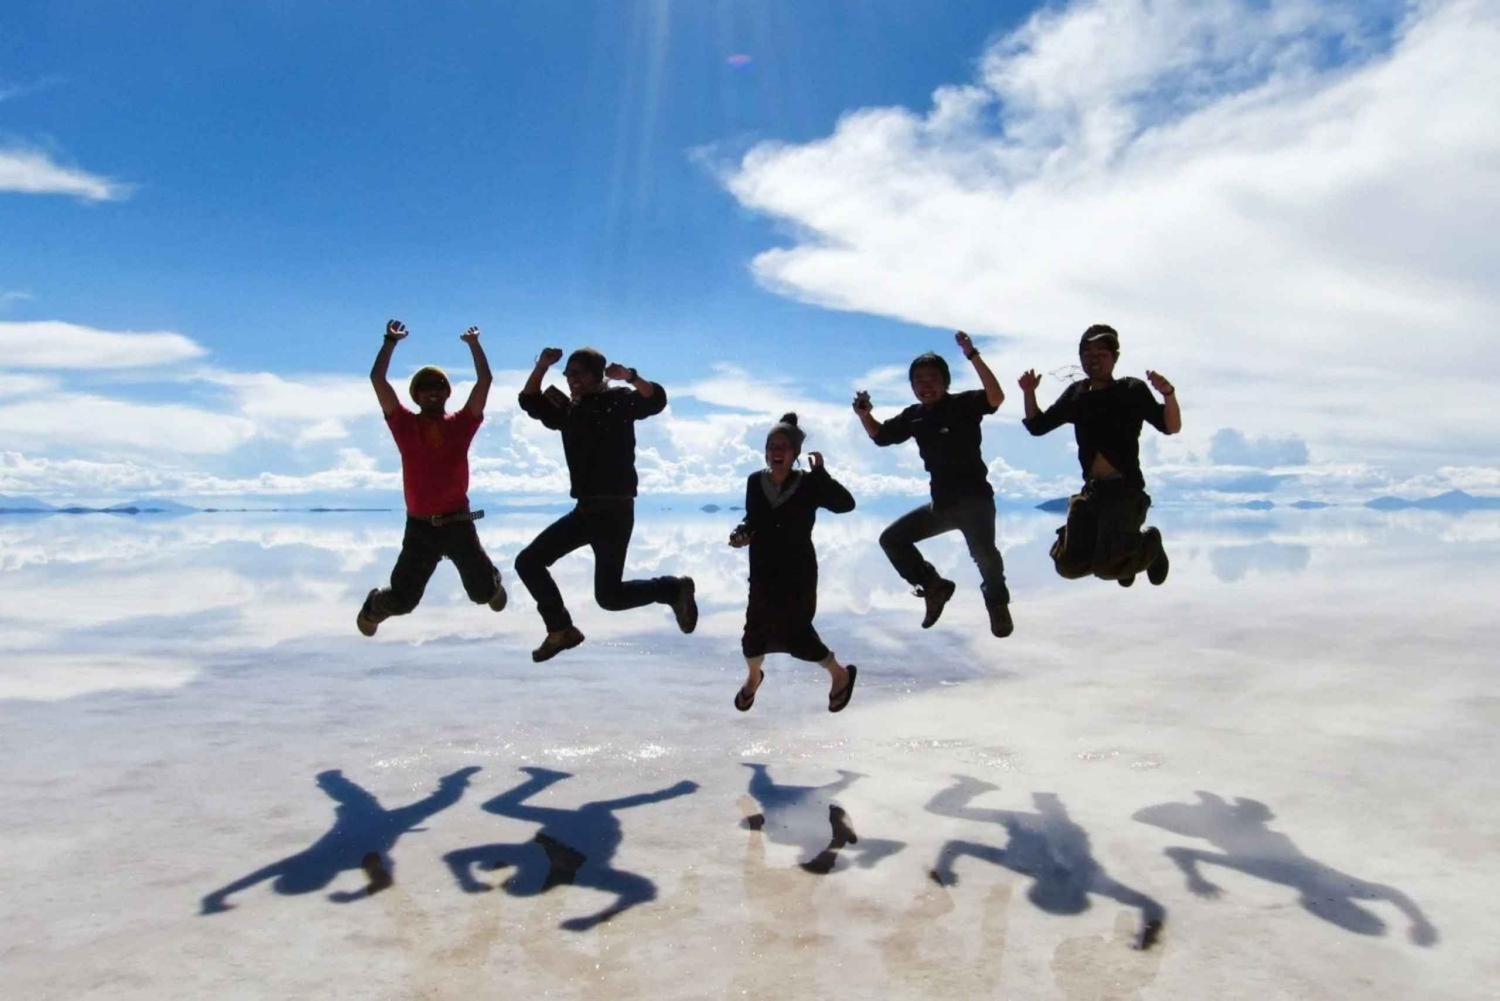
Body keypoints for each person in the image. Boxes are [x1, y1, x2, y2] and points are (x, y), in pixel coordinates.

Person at [515, 347, 697, 662]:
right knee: (528, 562)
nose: (573, 380)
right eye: (569, 374)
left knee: (609, 598)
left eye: (580, 373)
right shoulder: (568, 411)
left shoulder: (619, 401)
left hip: (615, 511)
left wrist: (630, 375)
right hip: (584, 511)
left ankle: (672, 588)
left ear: (598, 374)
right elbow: (529, 400)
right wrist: (542, 366)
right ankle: (561, 629)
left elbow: (656, 400)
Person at [854, 331, 1013, 637]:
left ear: (946, 381)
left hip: (976, 502)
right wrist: (865, 415)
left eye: (932, 378)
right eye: (919, 380)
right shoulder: (914, 416)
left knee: (985, 556)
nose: (925, 385)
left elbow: (996, 397)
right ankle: (933, 586)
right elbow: (880, 436)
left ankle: (997, 606)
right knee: (892, 539)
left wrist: (972, 354)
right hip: (942, 505)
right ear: (912, 386)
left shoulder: (964, 403)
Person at [357, 320, 505, 636]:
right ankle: (374, 607)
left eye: (439, 387)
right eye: (426, 389)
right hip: (420, 529)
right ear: (417, 396)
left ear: (447, 393)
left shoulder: (462, 424)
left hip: (459, 523)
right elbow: (377, 379)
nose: (433, 393)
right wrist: (389, 342)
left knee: (482, 594)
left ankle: (490, 579)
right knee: (402, 601)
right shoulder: (403, 424)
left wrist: (474, 345)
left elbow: (485, 381)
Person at [1019, 324, 1180, 586]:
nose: (1093, 359)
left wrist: (1168, 395)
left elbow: (1170, 426)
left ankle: (1149, 544)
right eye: (1087, 353)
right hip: (1092, 491)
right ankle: (1122, 558)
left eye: (1101, 353)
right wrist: (1029, 393)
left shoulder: (1131, 390)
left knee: (1107, 570)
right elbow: (1038, 426)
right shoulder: (1077, 394)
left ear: (1115, 357)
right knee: (1068, 568)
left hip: (1125, 490)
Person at [729, 414, 858, 713]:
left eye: (784, 446)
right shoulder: (754, 481)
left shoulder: (810, 483)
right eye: (772, 445)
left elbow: (845, 504)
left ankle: (840, 675)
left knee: (798, 632)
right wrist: (742, 533)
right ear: (765, 450)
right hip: (762, 569)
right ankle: (753, 679)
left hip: (798, 571)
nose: (777, 450)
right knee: (754, 634)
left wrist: (822, 475)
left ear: (795, 454)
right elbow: (754, 518)